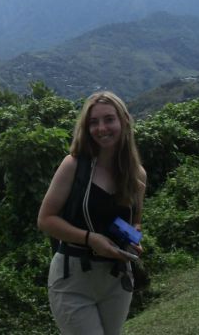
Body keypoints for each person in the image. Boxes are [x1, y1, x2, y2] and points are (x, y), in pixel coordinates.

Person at [37, 91, 147, 335]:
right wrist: (90, 239)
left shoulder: (136, 173)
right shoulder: (74, 165)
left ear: (124, 121)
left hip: (116, 278)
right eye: (94, 122)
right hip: (73, 278)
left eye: (109, 119)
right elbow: (45, 220)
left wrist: (132, 239)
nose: (101, 128)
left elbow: (135, 221)